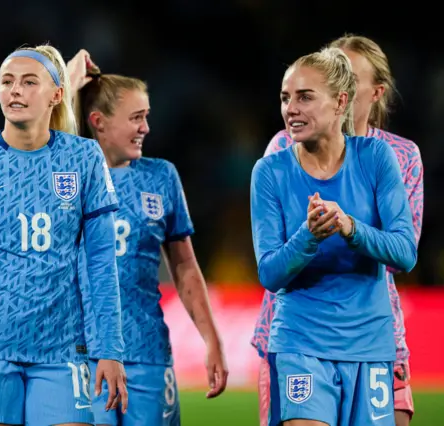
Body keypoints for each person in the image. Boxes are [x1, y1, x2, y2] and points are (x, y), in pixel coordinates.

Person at [0, 44, 128, 426]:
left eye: (30, 82)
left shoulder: (84, 159)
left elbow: (101, 264)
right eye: (7, 82)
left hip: (63, 346)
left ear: (57, 94)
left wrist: (111, 349)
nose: (15, 90)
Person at [251, 34, 423, 426]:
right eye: (285, 98)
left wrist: (350, 227)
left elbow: (405, 253)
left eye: (305, 97)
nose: (290, 109)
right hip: (299, 341)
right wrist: (308, 236)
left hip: (372, 342)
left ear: (341, 102)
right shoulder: (271, 167)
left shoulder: (382, 157)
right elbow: (269, 273)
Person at [67, 50, 228, 425]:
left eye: (147, 117)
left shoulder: (162, 176)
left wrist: (212, 339)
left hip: (148, 352)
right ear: (98, 122)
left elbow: (185, 267)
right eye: (136, 118)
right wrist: (67, 84)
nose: (146, 128)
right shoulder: (69, 174)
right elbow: (33, 137)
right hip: (82, 352)